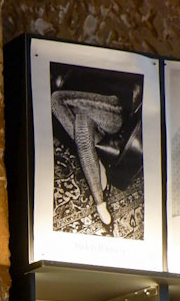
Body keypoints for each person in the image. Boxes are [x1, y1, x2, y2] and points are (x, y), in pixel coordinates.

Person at [50, 70, 143, 229]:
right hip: (84, 108)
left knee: (57, 98)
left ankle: (96, 163)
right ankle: (100, 201)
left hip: (112, 107)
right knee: (82, 133)